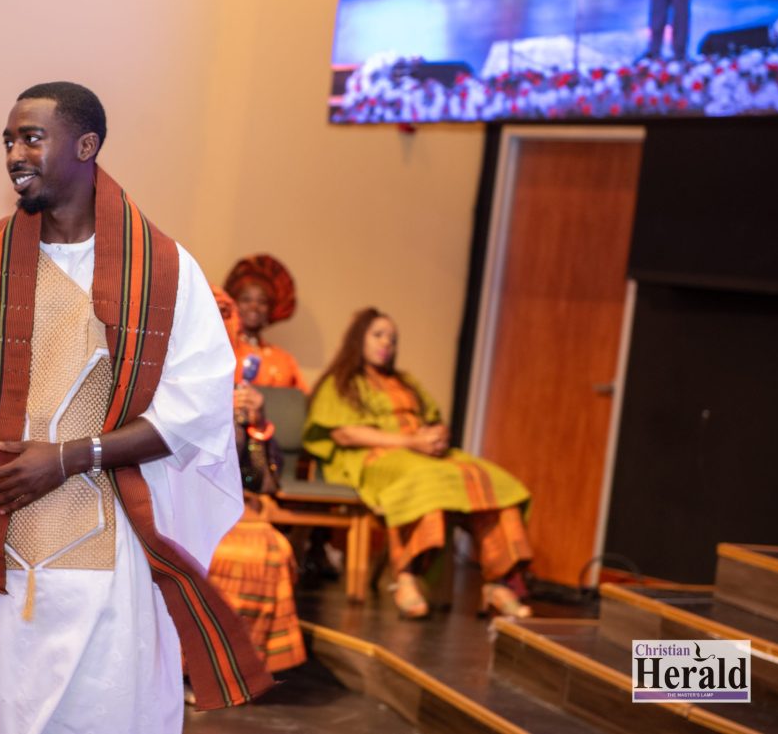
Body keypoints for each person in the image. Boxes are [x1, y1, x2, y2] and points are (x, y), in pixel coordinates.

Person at [0, 82, 271, 733]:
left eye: (32, 138)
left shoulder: (165, 271)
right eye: (8, 141)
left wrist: (70, 457)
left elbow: (192, 412)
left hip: (99, 540)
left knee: (96, 709)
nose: (14, 155)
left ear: (86, 145)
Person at [302, 308, 533, 619]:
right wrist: (410, 442)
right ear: (359, 339)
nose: (387, 343)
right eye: (378, 335)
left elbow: (433, 418)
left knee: (492, 481)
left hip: (422, 454)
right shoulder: (341, 383)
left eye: (393, 339)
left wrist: (437, 436)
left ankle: (499, 582)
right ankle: (407, 577)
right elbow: (345, 434)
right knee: (425, 481)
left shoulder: (406, 382)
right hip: (373, 456)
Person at [205, 286, 306, 676]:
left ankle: (241, 667)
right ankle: (196, 665)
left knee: (270, 548)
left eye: (225, 315)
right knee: (223, 553)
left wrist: (257, 425)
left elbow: (261, 481)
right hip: (181, 505)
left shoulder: (241, 392)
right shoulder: (167, 376)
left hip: (234, 506)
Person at [224, 254, 308, 391]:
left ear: (270, 308)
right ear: (234, 303)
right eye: (246, 300)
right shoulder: (224, 351)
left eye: (262, 302)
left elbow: (298, 400)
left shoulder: (284, 360)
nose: (254, 307)